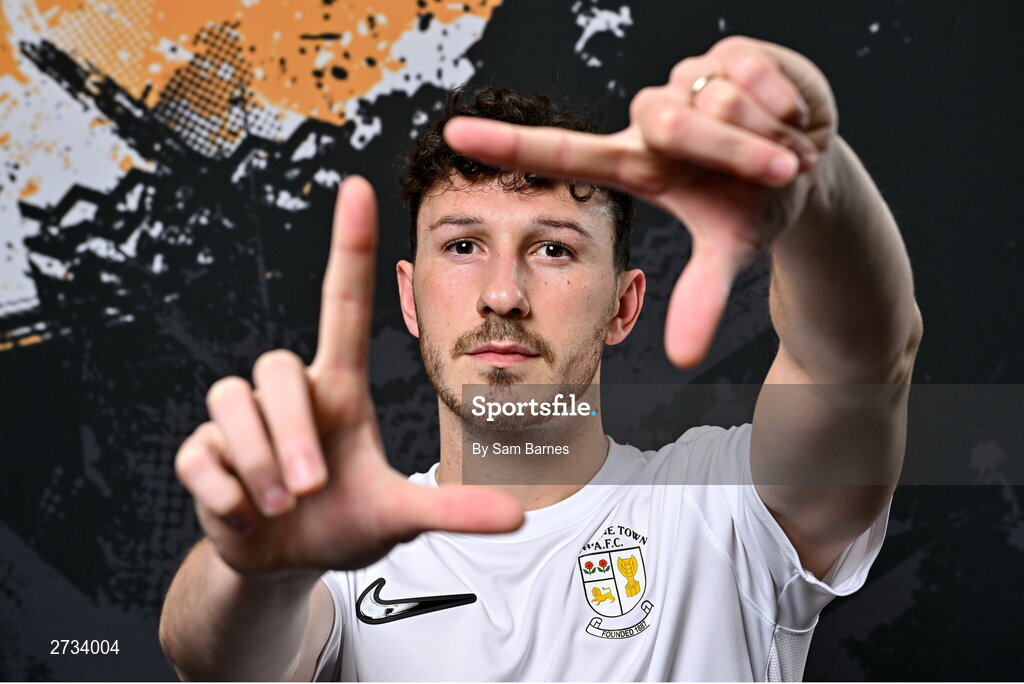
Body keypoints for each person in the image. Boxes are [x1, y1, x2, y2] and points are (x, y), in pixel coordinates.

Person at [158, 35, 922, 681]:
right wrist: (258, 567)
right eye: (463, 246)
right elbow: (213, 658)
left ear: (623, 305)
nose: (503, 294)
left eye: (553, 249)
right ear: (411, 300)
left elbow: (858, 361)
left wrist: (810, 184)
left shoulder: (722, 513)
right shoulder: (346, 548)